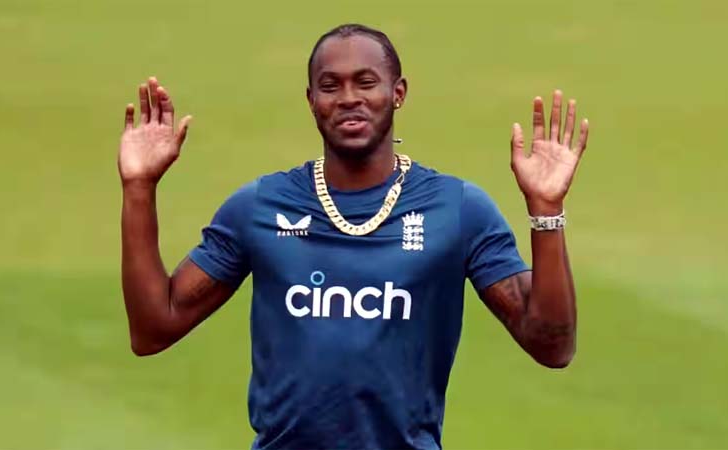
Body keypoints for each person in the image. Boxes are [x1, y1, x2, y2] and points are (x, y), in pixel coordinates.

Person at [118, 23, 589, 450]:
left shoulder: (457, 210)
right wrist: (139, 187)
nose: (348, 98)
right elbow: (154, 328)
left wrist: (546, 209)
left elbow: (552, 346)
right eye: (330, 86)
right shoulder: (260, 207)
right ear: (311, 100)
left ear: (398, 92)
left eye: (366, 82)